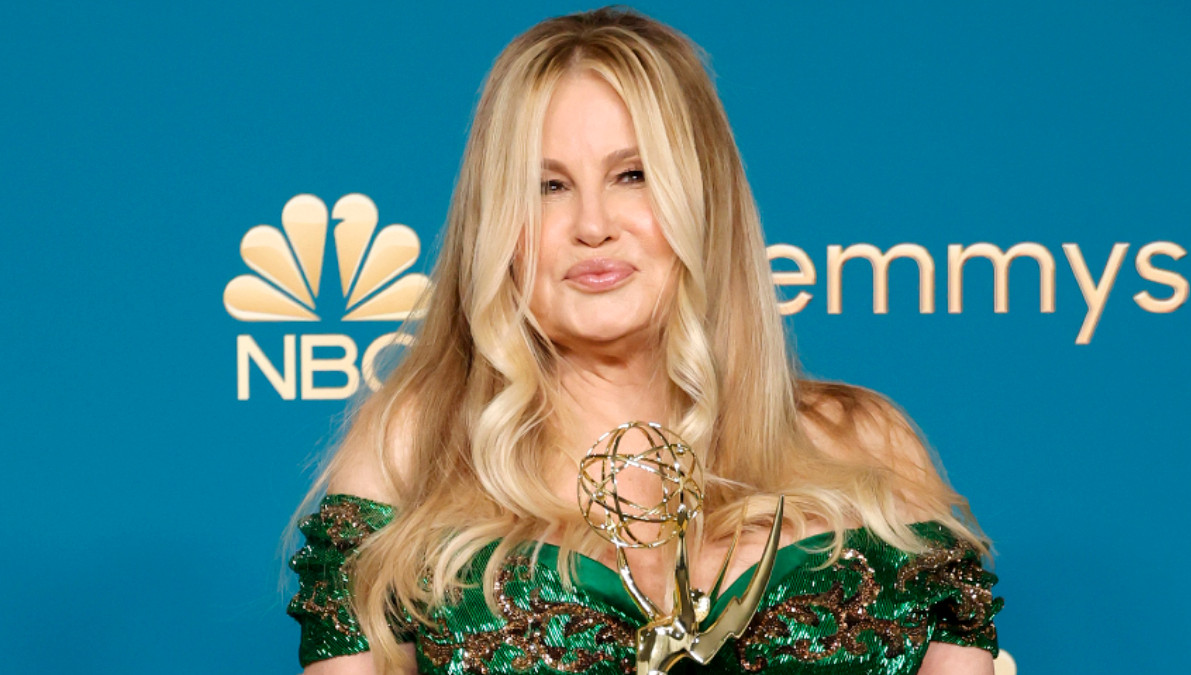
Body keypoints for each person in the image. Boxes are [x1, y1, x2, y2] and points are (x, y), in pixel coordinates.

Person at [287, 7, 1003, 675]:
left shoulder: (865, 446)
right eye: (548, 185)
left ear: (705, 197)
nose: (592, 224)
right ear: (497, 223)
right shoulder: (414, 452)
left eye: (633, 175)